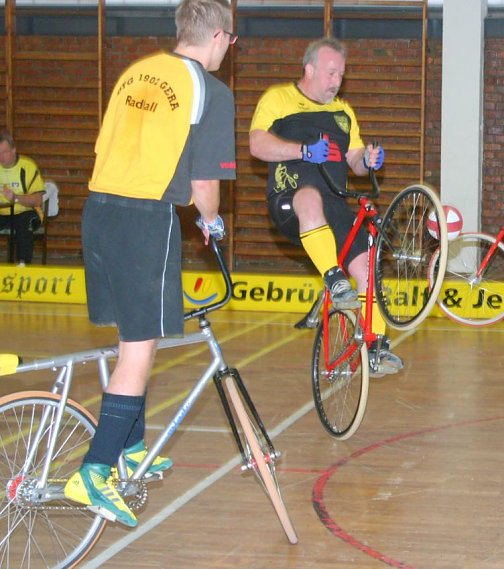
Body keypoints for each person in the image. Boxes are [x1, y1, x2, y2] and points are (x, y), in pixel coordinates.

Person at [63, 0, 237, 527]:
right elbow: (204, 189)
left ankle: (130, 448)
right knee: (140, 351)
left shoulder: (135, 73)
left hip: (97, 211)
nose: (230, 49)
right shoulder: (211, 89)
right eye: (231, 40)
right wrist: (213, 221)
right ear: (218, 37)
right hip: (143, 222)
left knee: (132, 339)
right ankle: (93, 471)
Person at [248, 37, 399, 377]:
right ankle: (333, 279)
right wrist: (302, 151)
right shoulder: (278, 99)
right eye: (331, 73)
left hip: (334, 203)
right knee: (309, 196)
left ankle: (376, 347)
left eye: (341, 76)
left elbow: (355, 161)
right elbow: (256, 144)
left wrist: (369, 159)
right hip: (290, 198)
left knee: (366, 264)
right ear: (310, 68)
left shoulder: (344, 112)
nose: (336, 82)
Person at [0, 131, 46, 266]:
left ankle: (23, 264)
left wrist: (15, 198)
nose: (1, 157)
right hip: (2, 214)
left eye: (4, 152)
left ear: (14, 150)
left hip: (25, 211)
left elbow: (38, 200)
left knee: (25, 222)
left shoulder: (28, 167)